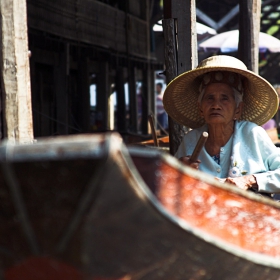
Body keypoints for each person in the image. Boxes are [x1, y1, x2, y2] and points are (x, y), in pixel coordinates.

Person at [163, 55, 280, 195]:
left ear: (238, 109)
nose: (216, 105)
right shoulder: (191, 140)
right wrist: (179, 172)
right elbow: (166, 186)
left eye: (224, 98)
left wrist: (250, 180)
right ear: (201, 108)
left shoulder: (252, 134)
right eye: (209, 98)